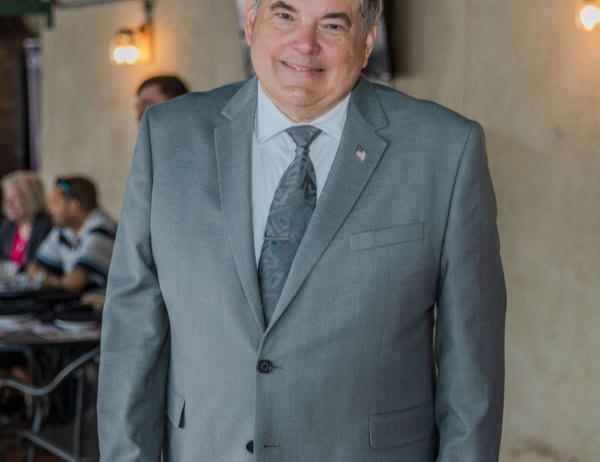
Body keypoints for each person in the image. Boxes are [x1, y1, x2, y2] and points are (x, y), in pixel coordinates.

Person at [98, 0, 507, 460]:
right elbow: (132, 331)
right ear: (251, 22)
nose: (304, 44)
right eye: (285, 16)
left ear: (367, 40)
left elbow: (472, 372)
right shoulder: (168, 136)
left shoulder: (446, 150)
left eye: (331, 25)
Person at [27, 176, 116, 293]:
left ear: (74, 206)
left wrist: (45, 280)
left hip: (102, 303)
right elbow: (32, 268)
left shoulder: (101, 230)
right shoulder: (64, 229)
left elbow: (74, 283)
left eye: (54, 203)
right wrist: (56, 281)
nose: (49, 210)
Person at [0, 171, 52, 268]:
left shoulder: (47, 225)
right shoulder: (7, 225)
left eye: (15, 198)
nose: (8, 204)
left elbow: (39, 267)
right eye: (6, 198)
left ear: (33, 198)